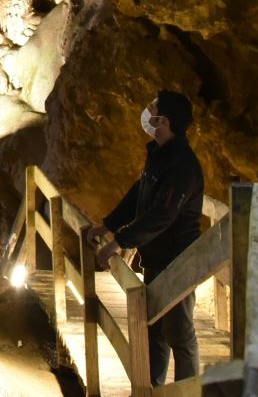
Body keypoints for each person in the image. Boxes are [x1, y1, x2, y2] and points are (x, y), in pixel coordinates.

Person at [85, 90, 204, 386]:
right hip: (156, 258)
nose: (146, 112)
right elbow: (139, 195)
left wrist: (120, 241)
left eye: (152, 109)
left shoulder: (183, 167)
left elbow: (162, 216)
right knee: (154, 329)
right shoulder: (160, 155)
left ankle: (187, 393)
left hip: (178, 261)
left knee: (179, 332)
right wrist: (109, 225)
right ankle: (151, 389)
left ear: (164, 121)